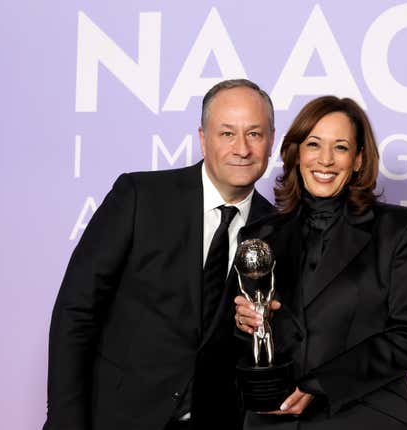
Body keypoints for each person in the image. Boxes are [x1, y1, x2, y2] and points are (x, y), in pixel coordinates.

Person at [44, 79, 277, 430]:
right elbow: (76, 311)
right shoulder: (141, 197)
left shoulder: (277, 229)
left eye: (254, 134)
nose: (241, 148)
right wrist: (65, 421)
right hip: (118, 418)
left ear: (271, 140)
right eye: (227, 133)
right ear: (203, 138)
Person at [235, 96, 407, 429]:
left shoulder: (403, 231)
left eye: (340, 148)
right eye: (314, 144)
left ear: (358, 159)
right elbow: (244, 341)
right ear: (297, 153)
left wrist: (319, 385)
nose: (325, 160)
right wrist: (244, 324)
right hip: (272, 420)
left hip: (364, 416)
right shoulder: (259, 236)